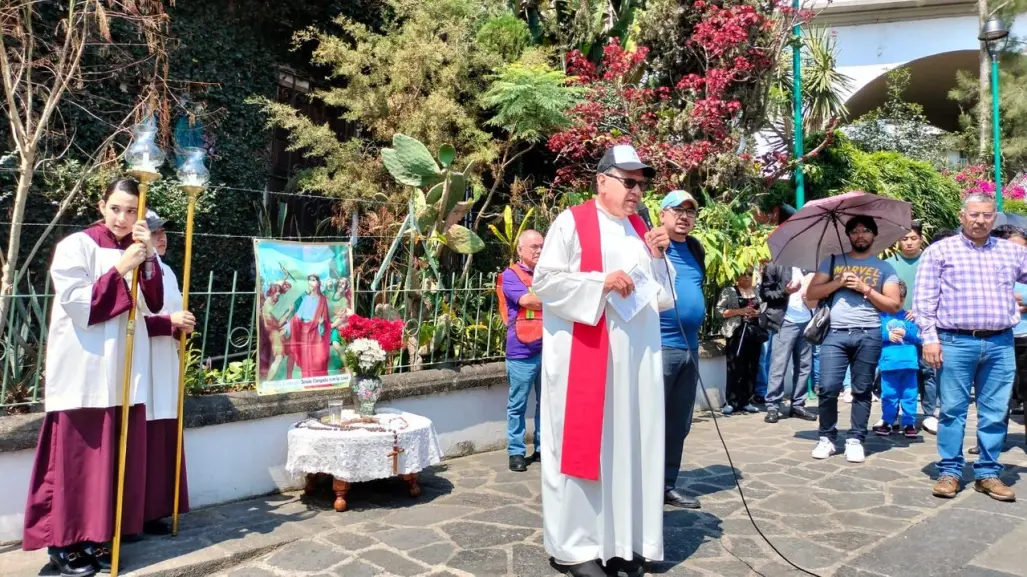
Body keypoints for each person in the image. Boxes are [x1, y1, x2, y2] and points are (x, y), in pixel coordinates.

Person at [534, 144, 674, 577]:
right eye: (628, 181)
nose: (637, 190)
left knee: (630, 446)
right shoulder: (571, 223)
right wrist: (601, 282)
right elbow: (546, 282)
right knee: (585, 451)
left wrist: (656, 256)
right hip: (586, 361)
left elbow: (662, 298)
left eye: (641, 183)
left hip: (634, 363)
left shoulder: (640, 227)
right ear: (602, 180)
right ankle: (575, 548)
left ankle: (624, 541)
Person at [22, 179, 165, 576]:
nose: (122, 218)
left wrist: (147, 256)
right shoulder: (77, 246)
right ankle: (64, 543)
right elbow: (80, 305)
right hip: (83, 369)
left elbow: (152, 302)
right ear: (102, 206)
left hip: (122, 370)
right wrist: (123, 266)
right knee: (77, 464)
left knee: (112, 463)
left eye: (132, 211)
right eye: (116, 208)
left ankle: (99, 536)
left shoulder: (138, 249)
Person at [915, 194, 1027, 502]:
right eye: (974, 214)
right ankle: (950, 472)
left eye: (987, 215)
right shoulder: (940, 251)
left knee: (995, 412)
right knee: (951, 411)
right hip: (954, 342)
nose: (980, 220)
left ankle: (988, 474)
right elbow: (923, 300)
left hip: (1001, 342)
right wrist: (930, 338)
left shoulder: (1010, 252)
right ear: (962, 215)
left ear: (995, 218)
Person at [805, 215, 902, 463]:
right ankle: (826, 437)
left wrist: (865, 288)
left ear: (874, 235)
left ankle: (856, 438)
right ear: (848, 235)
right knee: (827, 388)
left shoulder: (885, 268)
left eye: (865, 230)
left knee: (862, 390)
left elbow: (893, 306)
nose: (860, 235)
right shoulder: (833, 261)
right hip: (834, 333)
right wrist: (837, 282)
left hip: (868, 333)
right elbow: (811, 295)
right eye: (855, 231)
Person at [139, 211, 196, 535]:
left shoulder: (169, 272)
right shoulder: (134, 268)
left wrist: (181, 325)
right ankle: (134, 513)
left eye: (163, 232)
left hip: (164, 361)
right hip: (141, 363)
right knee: (140, 435)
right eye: (154, 232)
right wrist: (168, 323)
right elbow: (126, 321)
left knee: (162, 435)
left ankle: (155, 509)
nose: (161, 237)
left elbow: (172, 313)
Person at [658, 189, 705, 510]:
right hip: (659, 347)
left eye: (690, 212)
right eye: (677, 210)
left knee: (679, 423)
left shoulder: (695, 248)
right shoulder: (650, 243)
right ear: (662, 214)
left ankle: (666, 484)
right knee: (651, 422)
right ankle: (642, 485)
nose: (684, 216)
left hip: (690, 349)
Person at [886, 221, 938, 434]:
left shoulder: (930, 262)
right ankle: (893, 415)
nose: (908, 243)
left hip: (923, 325)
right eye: (904, 238)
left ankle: (929, 414)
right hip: (894, 325)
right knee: (895, 370)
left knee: (927, 370)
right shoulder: (889, 264)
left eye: (913, 238)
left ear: (920, 239)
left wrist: (920, 312)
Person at [501, 229, 545, 473]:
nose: (539, 250)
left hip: (547, 348)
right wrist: (556, 295)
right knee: (517, 404)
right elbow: (528, 301)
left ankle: (542, 448)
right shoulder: (511, 275)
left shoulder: (547, 274)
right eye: (534, 247)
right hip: (521, 351)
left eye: (541, 246)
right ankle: (516, 452)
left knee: (546, 404)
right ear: (520, 250)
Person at [760, 262, 816, 423]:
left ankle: (798, 404)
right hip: (785, 321)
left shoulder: (809, 267)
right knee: (779, 365)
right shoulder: (775, 266)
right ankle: (773, 406)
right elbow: (765, 293)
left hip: (806, 321)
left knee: (804, 366)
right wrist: (785, 291)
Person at [873, 280, 921, 438]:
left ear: (903, 298)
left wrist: (906, 333)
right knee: (889, 394)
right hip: (889, 363)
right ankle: (888, 420)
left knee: (910, 394)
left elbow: (919, 337)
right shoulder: (880, 316)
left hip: (909, 363)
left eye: (900, 299)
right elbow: (874, 335)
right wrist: (888, 335)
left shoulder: (910, 317)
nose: (896, 302)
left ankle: (909, 422)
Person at [716, 269, 765, 415]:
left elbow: (764, 307)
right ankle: (732, 401)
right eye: (744, 276)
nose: (747, 279)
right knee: (735, 366)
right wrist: (740, 311)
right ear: (738, 277)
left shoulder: (756, 291)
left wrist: (757, 313)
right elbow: (719, 311)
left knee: (752, 366)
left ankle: (746, 400)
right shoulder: (729, 291)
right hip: (736, 332)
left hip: (754, 333)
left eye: (750, 276)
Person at [284, 274, 332, 378]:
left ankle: (319, 380)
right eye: (309, 280)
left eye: (314, 280)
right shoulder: (305, 298)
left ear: (319, 283)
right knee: (306, 358)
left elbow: (326, 320)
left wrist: (321, 324)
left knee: (319, 358)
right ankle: (307, 381)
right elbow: (297, 316)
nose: (311, 282)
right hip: (304, 332)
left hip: (317, 332)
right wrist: (287, 326)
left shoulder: (322, 299)